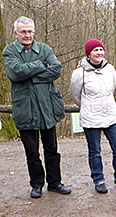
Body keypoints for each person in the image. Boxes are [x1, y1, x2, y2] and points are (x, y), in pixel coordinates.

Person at [2, 16, 71, 198]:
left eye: (30, 31)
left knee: (52, 149)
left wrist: (30, 76)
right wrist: (40, 65)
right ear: (16, 33)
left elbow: (56, 69)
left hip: (47, 106)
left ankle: (55, 182)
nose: (27, 35)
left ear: (34, 32)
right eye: (23, 31)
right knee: (32, 151)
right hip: (25, 108)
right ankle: (37, 184)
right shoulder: (9, 51)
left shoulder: (45, 49)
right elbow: (15, 72)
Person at [70, 39, 116, 194]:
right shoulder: (79, 73)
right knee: (95, 150)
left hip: (110, 114)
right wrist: (89, 107)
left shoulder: (110, 69)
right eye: (95, 50)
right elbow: (76, 96)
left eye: (101, 49)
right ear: (89, 53)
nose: (99, 53)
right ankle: (99, 180)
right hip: (91, 117)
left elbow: (112, 88)